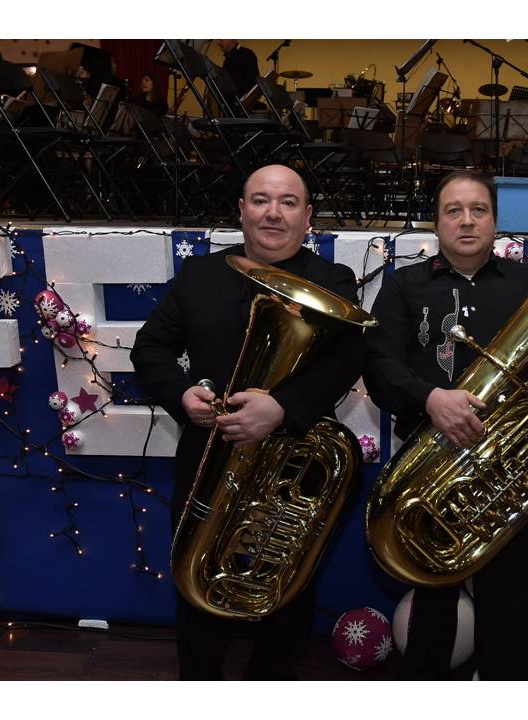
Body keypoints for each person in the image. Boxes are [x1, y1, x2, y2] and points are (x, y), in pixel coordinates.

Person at [363, 169, 528, 680]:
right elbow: (379, 364)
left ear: (494, 221)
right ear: (436, 223)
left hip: (510, 475)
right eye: (453, 211)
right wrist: (430, 399)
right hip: (428, 472)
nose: (467, 221)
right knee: (431, 612)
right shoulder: (403, 286)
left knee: (511, 611)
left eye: (479, 210)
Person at [130, 164, 363, 680]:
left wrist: (282, 408)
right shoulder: (201, 275)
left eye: (287, 202)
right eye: (260, 200)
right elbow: (149, 348)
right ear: (241, 210)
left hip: (293, 464)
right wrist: (181, 394)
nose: (272, 213)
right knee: (195, 587)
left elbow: (349, 357)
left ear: (308, 216)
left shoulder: (333, 280)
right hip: (207, 456)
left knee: (285, 596)